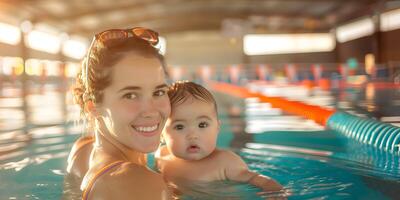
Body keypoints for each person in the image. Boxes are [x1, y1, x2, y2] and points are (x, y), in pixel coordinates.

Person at [66, 27, 171, 200]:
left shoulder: (82, 150)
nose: (151, 111)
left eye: (158, 92)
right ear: (92, 107)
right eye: (130, 95)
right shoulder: (140, 184)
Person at [155, 81, 284, 196]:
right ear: (162, 133)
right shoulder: (161, 156)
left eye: (202, 125)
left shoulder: (225, 162)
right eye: (179, 127)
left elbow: (258, 179)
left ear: (217, 128)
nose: (192, 135)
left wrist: (274, 192)